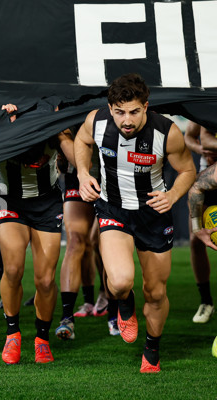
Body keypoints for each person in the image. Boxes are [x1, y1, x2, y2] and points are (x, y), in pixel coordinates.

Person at [75, 73, 196, 373]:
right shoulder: (97, 121)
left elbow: (188, 170)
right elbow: (81, 139)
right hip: (114, 209)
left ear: (146, 106)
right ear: (110, 107)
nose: (126, 120)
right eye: (119, 111)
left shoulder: (167, 132)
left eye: (133, 111)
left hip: (153, 215)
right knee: (119, 282)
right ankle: (124, 303)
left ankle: (152, 348)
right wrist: (81, 173)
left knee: (155, 292)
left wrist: (173, 196)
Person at [0, 103, 76, 365]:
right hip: (11, 200)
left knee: (44, 280)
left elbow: (75, 160)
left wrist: (62, 131)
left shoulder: (51, 123)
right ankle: (12, 333)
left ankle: (41, 339)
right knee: (14, 269)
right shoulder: (3, 122)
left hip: (47, 203)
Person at [55, 129, 119, 340]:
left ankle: (114, 313)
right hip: (79, 177)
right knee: (76, 242)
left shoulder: (110, 108)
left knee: (106, 245)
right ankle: (67, 318)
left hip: (113, 177)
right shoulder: (65, 107)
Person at [184, 121, 217, 323]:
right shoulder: (206, 104)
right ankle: (206, 301)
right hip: (208, 179)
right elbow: (200, 138)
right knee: (196, 238)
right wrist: (201, 148)